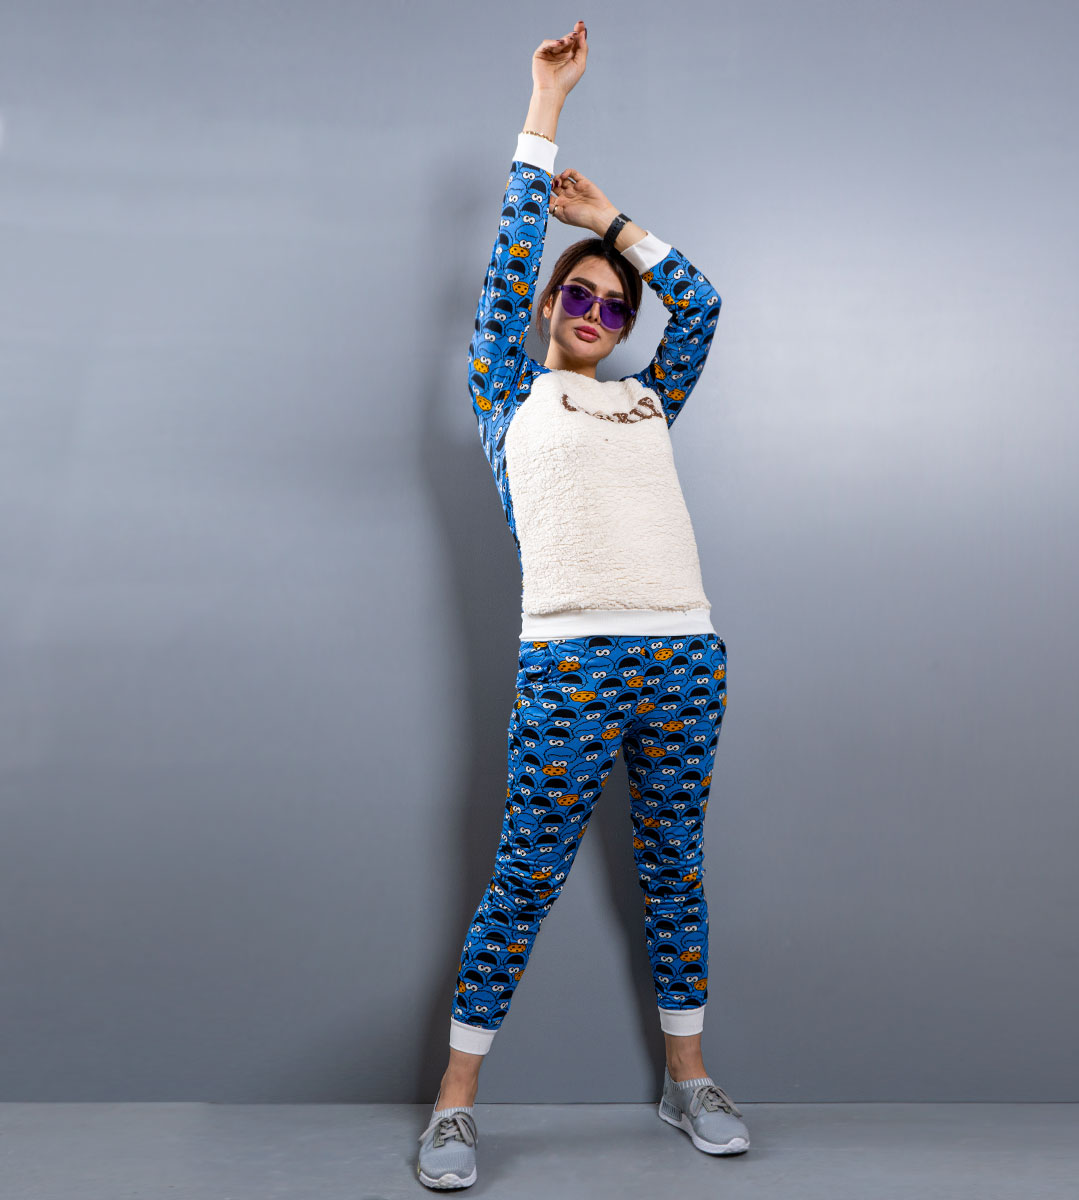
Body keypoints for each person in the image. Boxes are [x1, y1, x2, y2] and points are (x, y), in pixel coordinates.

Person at [417, 20, 748, 1190]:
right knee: (526, 878)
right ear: (550, 305)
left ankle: (688, 1079)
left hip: (686, 660)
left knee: (675, 872)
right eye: (581, 297)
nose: (598, 315)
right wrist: (546, 107)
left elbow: (702, 306)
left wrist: (615, 225)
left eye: (614, 307)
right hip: (571, 665)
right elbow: (510, 258)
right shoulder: (507, 394)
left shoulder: (649, 400)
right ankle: (455, 1104)